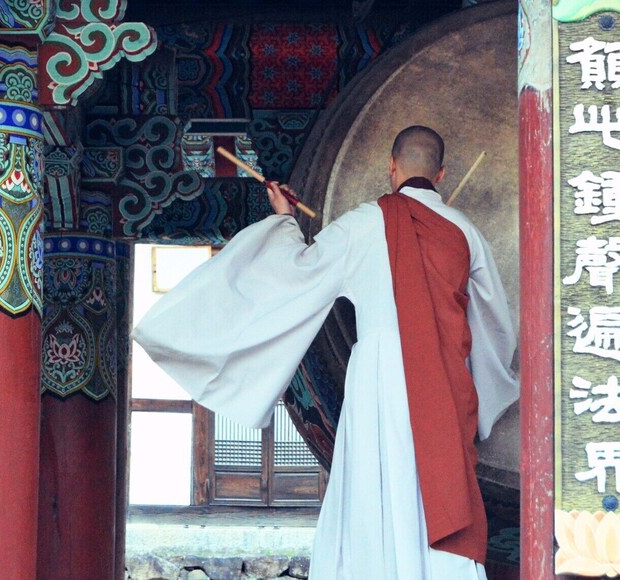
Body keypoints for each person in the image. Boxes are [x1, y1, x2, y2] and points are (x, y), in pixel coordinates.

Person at [133, 126, 518, 578]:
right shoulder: (465, 233)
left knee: (374, 485)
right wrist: (485, 388)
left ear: (391, 169)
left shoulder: (362, 222)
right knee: (441, 487)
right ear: (443, 174)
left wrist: (283, 218)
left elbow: (300, 273)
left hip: (377, 375)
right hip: (446, 381)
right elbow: (496, 328)